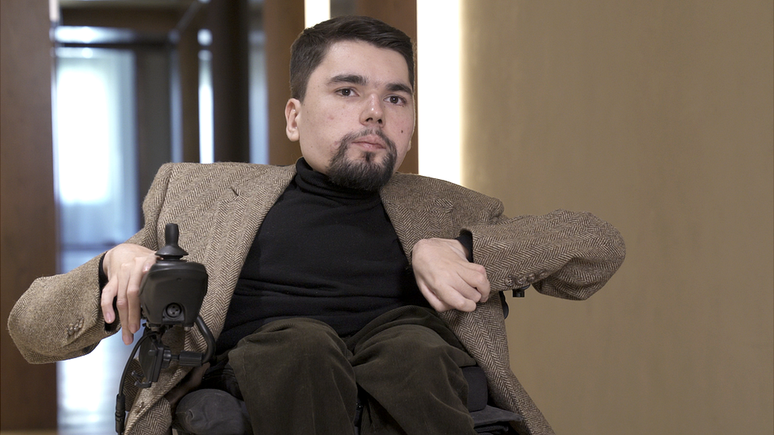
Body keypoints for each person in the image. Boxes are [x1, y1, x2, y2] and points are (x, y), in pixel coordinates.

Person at [8, 15, 625, 435]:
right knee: (299, 347)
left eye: (396, 97)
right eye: (348, 91)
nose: (375, 113)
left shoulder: (451, 208)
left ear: (410, 121)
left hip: (412, 374)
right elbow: (30, 331)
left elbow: (597, 246)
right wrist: (110, 267)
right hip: (274, 370)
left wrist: (466, 247)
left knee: (411, 350)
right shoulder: (199, 195)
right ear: (294, 116)